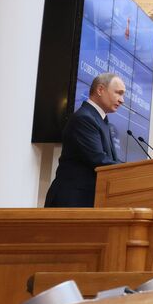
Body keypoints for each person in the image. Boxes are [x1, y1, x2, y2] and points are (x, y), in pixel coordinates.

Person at [46, 72, 126, 208]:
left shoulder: (101, 120)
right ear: (100, 90)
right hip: (72, 201)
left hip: (86, 201)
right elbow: (99, 159)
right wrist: (131, 170)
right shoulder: (84, 118)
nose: (122, 100)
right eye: (118, 93)